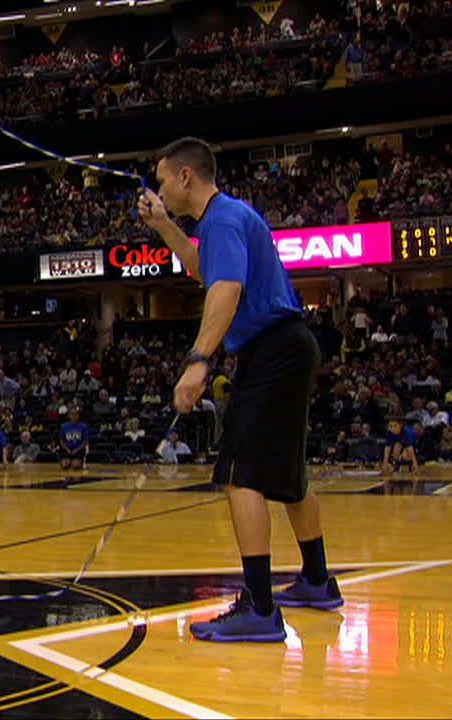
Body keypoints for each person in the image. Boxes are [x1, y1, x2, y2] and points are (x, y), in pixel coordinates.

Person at [139, 137, 341, 643]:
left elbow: (225, 292)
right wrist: (164, 225)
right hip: (289, 348)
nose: (159, 188)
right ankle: (316, 580)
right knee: (289, 476)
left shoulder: (224, 220)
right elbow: (204, 269)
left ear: (186, 177)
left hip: (271, 352)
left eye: (163, 179)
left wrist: (199, 361)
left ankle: (259, 608)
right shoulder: (224, 220)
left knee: (239, 475)